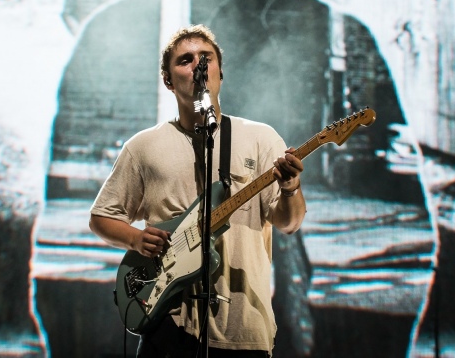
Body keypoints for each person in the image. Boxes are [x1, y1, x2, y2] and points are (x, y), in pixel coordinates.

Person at [89, 24, 307, 357]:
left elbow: (289, 223)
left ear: (221, 71)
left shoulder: (260, 139)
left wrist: (290, 187)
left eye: (206, 58)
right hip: (168, 323)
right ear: (167, 78)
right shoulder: (144, 146)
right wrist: (134, 239)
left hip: (242, 328)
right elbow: (102, 217)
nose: (198, 66)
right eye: (185, 60)